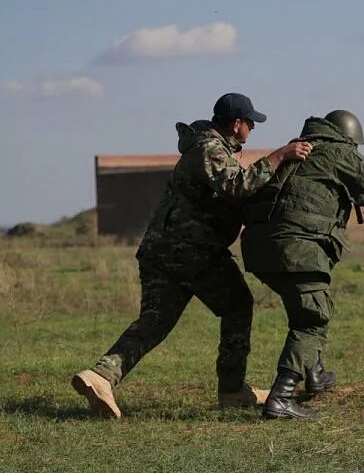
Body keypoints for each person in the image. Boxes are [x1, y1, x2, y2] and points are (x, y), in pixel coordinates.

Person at [71, 93, 312, 419]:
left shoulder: (210, 149)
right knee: (238, 304)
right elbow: (237, 186)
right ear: (237, 124)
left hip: (163, 250)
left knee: (155, 322)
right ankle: (231, 388)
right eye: (250, 123)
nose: (252, 129)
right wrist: (281, 155)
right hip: (189, 251)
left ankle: (100, 376)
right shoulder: (209, 148)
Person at [240, 110, 364, 419]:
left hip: (259, 249)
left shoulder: (294, 149)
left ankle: (315, 373)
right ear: (348, 137)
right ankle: (281, 396)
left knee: (304, 306)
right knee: (313, 318)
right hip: (298, 247)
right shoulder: (340, 151)